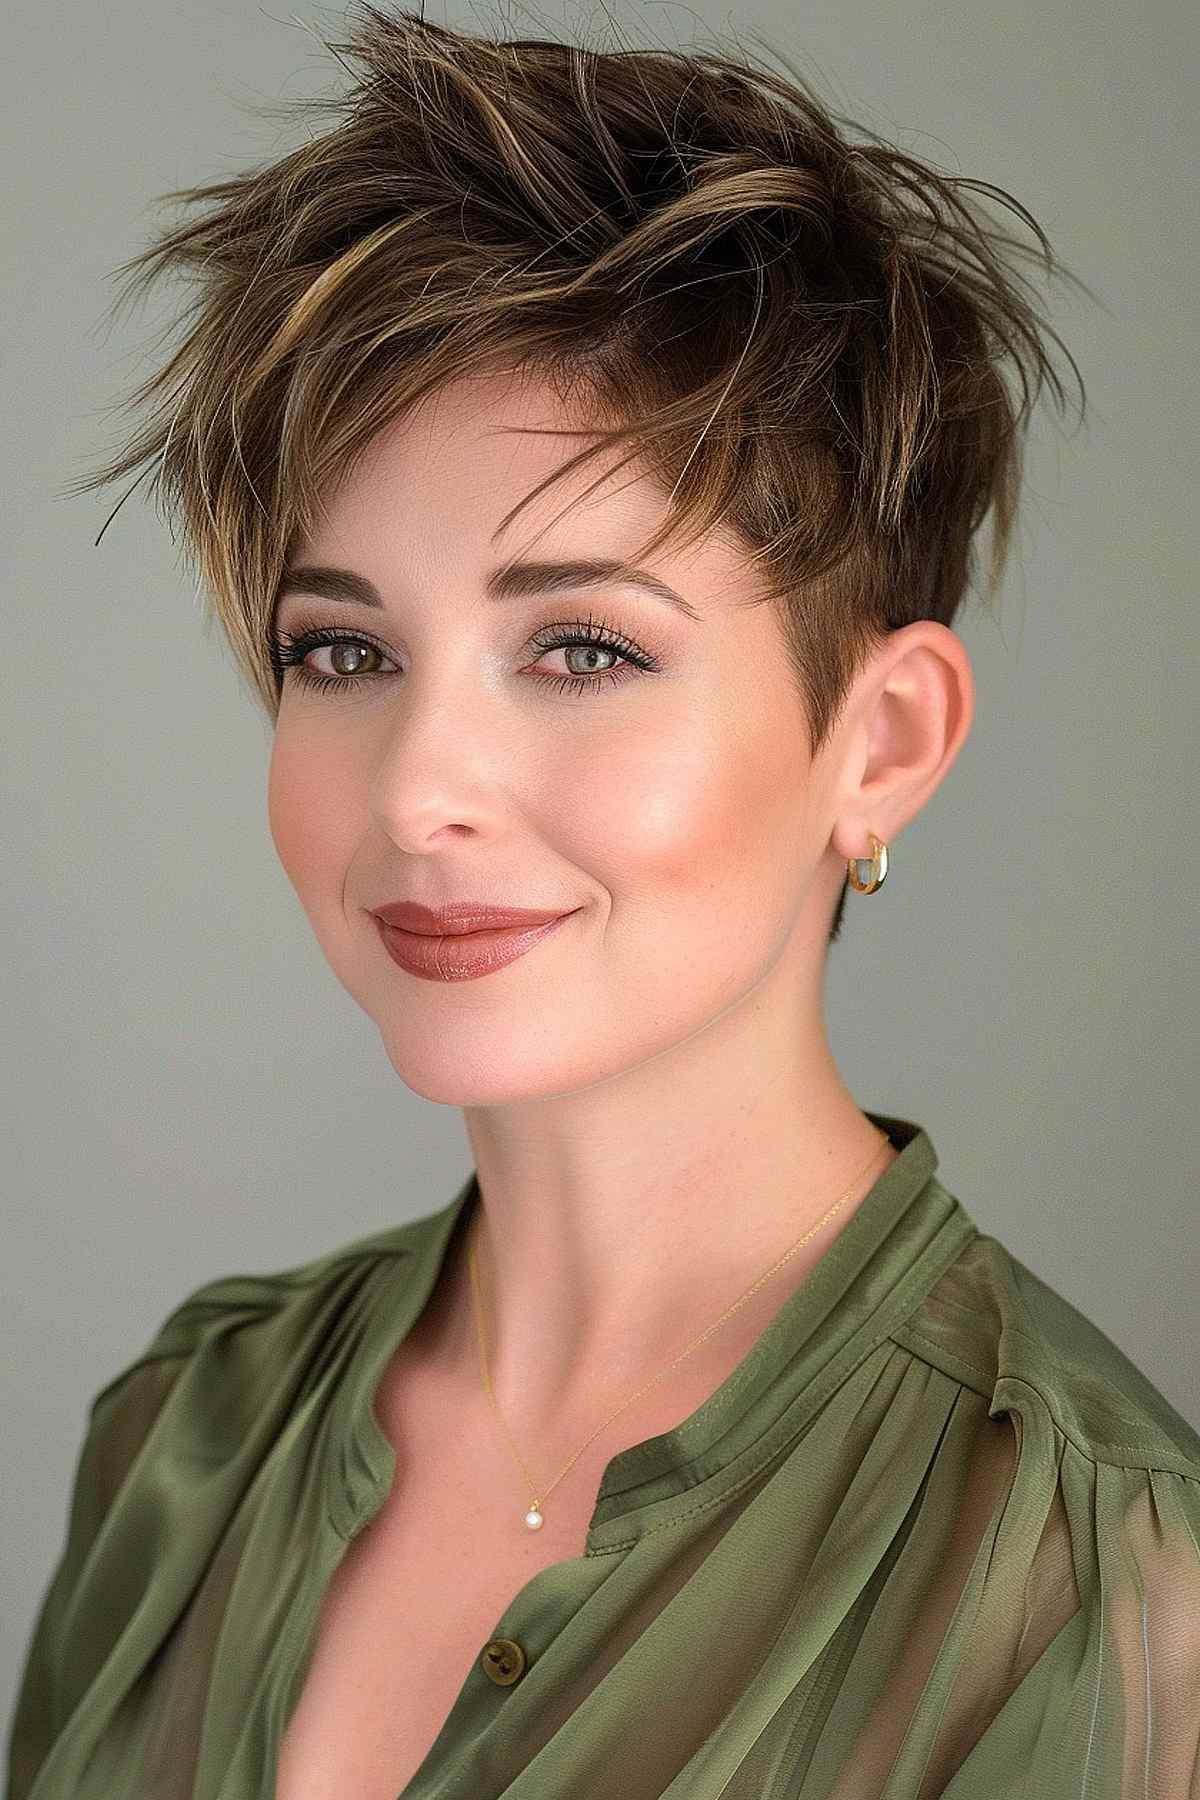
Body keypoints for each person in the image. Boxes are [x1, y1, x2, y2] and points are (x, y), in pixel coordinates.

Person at [8, 7, 1199, 1798]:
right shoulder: (190, 1433)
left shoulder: (1093, 1580)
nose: (415, 789)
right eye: (342, 649)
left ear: (880, 741)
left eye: (578, 646)